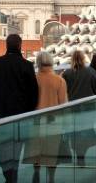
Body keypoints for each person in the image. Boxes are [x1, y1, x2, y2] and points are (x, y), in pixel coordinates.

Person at [0, 34, 38, 183]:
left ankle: (10, 178)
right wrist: (28, 113)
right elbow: (34, 94)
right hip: (20, 118)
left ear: (6, 45)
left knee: (3, 153)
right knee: (15, 152)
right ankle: (11, 178)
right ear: (20, 46)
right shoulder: (27, 65)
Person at [23, 52, 67, 183]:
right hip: (54, 121)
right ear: (52, 63)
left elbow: (27, 100)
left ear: (38, 63)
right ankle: (51, 177)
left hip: (36, 120)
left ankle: (36, 171)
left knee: (36, 148)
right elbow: (62, 104)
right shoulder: (59, 80)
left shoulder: (33, 79)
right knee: (52, 150)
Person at [61, 50, 96, 168]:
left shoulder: (67, 73)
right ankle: (81, 156)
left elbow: (63, 91)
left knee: (75, 133)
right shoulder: (91, 72)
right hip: (88, 108)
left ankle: (78, 154)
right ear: (83, 58)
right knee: (86, 132)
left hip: (72, 108)